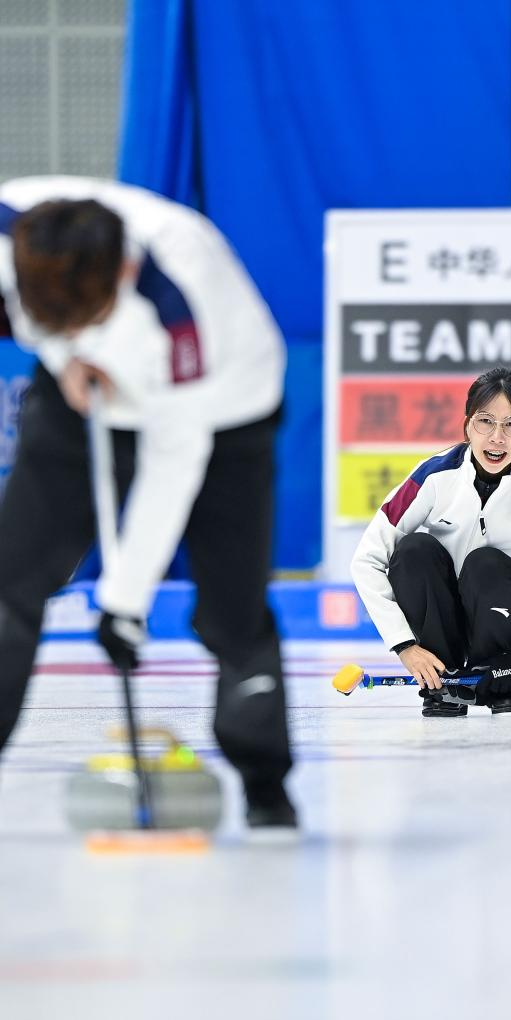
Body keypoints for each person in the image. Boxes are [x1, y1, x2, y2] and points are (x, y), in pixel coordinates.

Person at [0, 176, 296, 830]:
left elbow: (172, 463)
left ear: (122, 276)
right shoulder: (12, 231)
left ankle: (265, 786)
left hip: (222, 412)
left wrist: (124, 602)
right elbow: (40, 316)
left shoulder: (180, 303)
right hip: (79, 388)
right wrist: (64, 353)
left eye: (87, 322)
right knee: (9, 577)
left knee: (232, 612)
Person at [351, 366, 511, 717]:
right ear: (468, 425)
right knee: (414, 551)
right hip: (446, 625)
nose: (497, 437)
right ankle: (443, 682)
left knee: (485, 563)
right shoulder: (433, 476)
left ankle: (505, 683)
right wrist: (404, 645)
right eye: (485, 421)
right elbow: (367, 559)